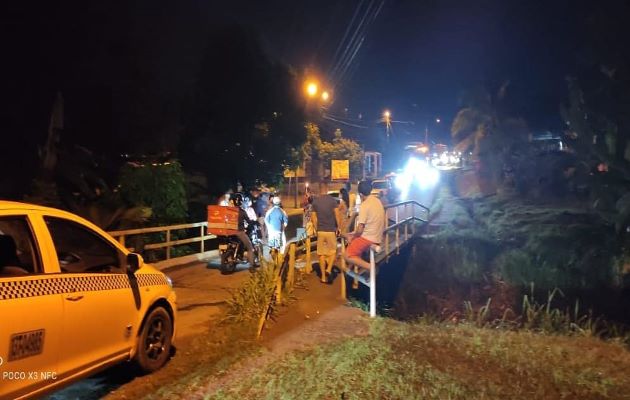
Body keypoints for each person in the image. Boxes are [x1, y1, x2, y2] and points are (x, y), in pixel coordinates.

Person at [343, 180, 385, 272]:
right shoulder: (377, 201)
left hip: (368, 238)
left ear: (360, 194)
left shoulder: (364, 205)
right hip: (378, 236)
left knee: (347, 255)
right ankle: (350, 268)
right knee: (354, 241)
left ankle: (370, 267)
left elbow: (360, 230)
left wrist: (352, 235)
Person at [311, 191, 341, 283]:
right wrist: (339, 227)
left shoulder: (315, 202)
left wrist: (316, 229)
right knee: (333, 251)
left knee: (321, 254)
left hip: (321, 231)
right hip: (330, 230)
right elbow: (337, 215)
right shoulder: (332, 201)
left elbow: (313, 217)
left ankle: (323, 277)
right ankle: (328, 269)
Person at [232, 194, 257, 268]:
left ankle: (239, 255)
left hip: (230, 232)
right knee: (250, 247)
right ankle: (252, 266)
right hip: (239, 232)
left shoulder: (230, 211)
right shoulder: (242, 212)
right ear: (241, 202)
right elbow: (249, 221)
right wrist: (253, 222)